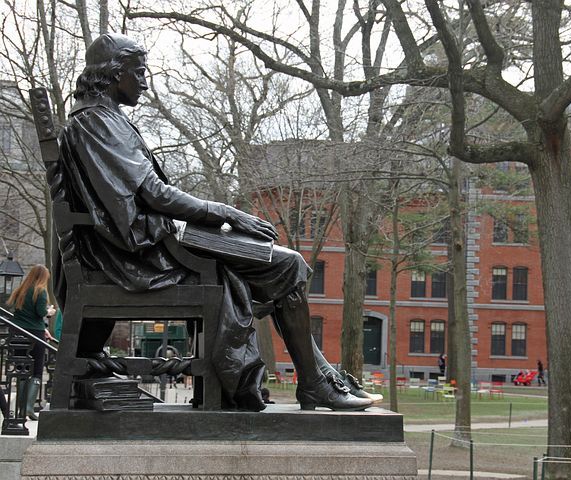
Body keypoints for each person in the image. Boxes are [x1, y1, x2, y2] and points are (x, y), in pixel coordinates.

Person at [56, 33, 374, 412]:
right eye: (138, 72)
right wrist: (227, 213)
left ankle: (320, 378)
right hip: (139, 252)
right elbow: (155, 194)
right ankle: (316, 383)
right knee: (287, 264)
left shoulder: (98, 120)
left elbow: (148, 195)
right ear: (112, 73)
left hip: (144, 243)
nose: (144, 82)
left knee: (280, 265)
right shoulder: (97, 122)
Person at [7, 265, 57, 420]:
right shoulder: (40, 291)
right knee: (36, 371)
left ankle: (20, 408)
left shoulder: (20, 290)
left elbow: (23, 314)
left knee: (22, 370)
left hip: (17, 333)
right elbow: (40, 312)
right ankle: (29, 407)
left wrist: (44, 328)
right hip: (34, 335)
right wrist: (50, 312)